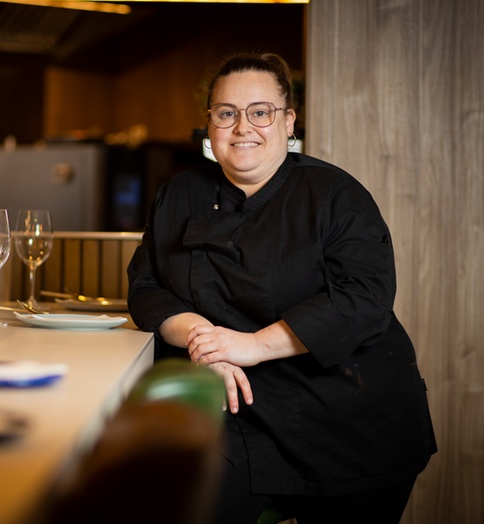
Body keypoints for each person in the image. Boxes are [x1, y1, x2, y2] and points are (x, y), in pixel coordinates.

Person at [126, 52, 437, 524]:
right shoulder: (180, 193)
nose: (241, 127)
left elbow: (363, 299)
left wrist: (251, 345)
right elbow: (147, 286)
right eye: (226, 113)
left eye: (261, 112)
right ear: (209, 123)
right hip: (237, 413)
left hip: (348, 419)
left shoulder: (335, 194)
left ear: (289, 121)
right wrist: (203, 339)